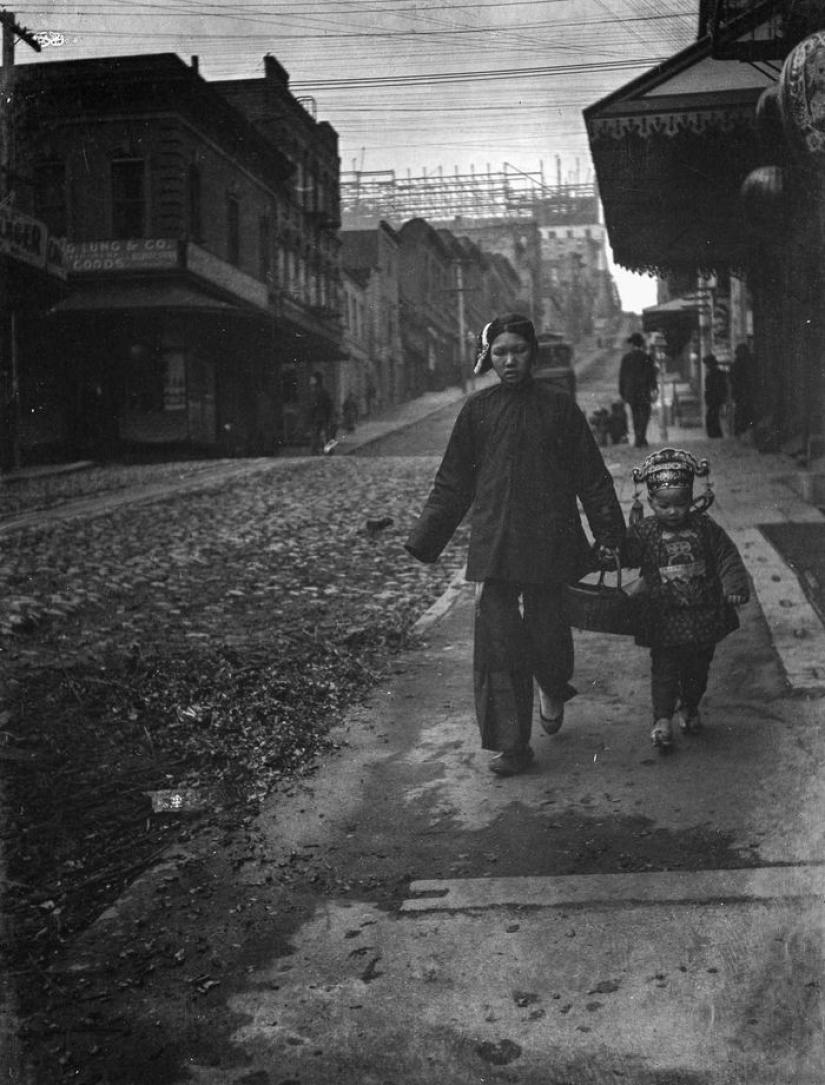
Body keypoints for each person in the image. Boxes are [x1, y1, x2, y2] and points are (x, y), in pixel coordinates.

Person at [405, 314, 625, 777]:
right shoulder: (477, 411)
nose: (509, 361)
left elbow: (591, 476)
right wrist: (426, 540)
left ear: (532, 354)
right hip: (496, 542)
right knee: (498, 644)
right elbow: (453, 481)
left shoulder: (559, 408)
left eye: (519, 351)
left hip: (549, 540)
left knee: (548, 632)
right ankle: (513, 746)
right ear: (490, 357)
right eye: (500, 352)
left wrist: (610, 535)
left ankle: (552, 684)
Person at [619, 447, 749, 750]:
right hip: (663, 617)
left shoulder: (705, 527)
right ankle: (662, 719)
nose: (673, 511)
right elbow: (627, 553)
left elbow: (726, 555)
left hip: (702, 616)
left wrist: (733, 584)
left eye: (680, 504)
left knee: (697, 670)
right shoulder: (645, 530)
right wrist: (611, 549)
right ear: (650, 502)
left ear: (691, 498)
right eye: (664, 505)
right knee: (664, 669)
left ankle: (689, 706)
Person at [619, 332, 659, 448]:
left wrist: (622, 392)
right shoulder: (646, 357)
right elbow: (651, 375)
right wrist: (654, 388)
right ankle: (641, 436)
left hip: (631, 392)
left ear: (632, 344)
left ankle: (638, 437)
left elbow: (622, 377)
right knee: (645, 413)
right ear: (641, 344)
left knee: (635, 414)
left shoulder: (626, 358)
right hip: (643, 390)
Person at [729, 342, 755, 436]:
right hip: (744, 394)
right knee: (744, 415)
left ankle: (741, 433)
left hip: (743, 394)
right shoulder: (749, 362)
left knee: (742, 415)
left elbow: (732, 379)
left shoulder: (738, 364)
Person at [308, 372, 334, 455]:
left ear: (316, 380)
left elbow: (313, 406)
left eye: (312, 379)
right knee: (327, 435)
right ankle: (329, 451)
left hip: (319, 416)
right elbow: (330, 404)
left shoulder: (316, 391)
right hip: (324, 416)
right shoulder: (323, 391)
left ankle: (315, 452)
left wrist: (311, 416)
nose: (310, 381)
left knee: (316, 435)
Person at [702, 353, 728, 438]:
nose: (707, 366)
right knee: (713, 419)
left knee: (713, 419)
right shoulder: (712, 374)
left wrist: (721, 399)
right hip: (713, 400)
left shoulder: (717, 374)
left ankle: (716, 435)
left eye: (707, 364)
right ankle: (715, 435)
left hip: (715, 399)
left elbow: (721, 388)